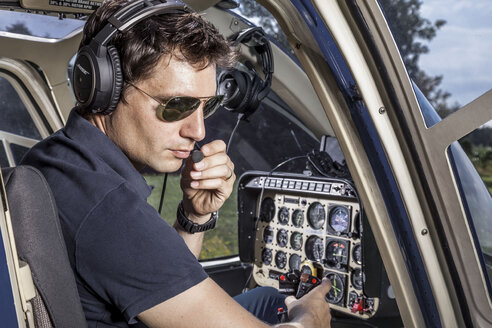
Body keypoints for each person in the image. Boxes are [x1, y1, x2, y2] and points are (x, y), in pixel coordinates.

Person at [21, 0, 332, 327]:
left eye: (205, 106)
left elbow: (162, 281)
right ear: (104, 88)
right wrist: (307, 320)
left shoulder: (55, 159)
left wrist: (194, 216)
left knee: (272, 299)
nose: (198, 131)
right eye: (177, 105)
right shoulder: (109, 210)